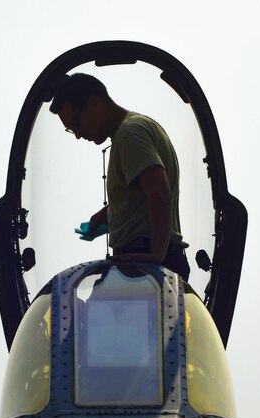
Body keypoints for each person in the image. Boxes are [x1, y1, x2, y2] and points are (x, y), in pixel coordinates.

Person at [50, 73, 190, 281]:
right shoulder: (136, 128)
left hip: (147, 266)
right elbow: (144, 192)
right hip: (152, 262)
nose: (78, 134)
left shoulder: (130, 134)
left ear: (94, 103)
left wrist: (156, 256)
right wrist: (108, 213)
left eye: (76, 124)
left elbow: (159, 191)